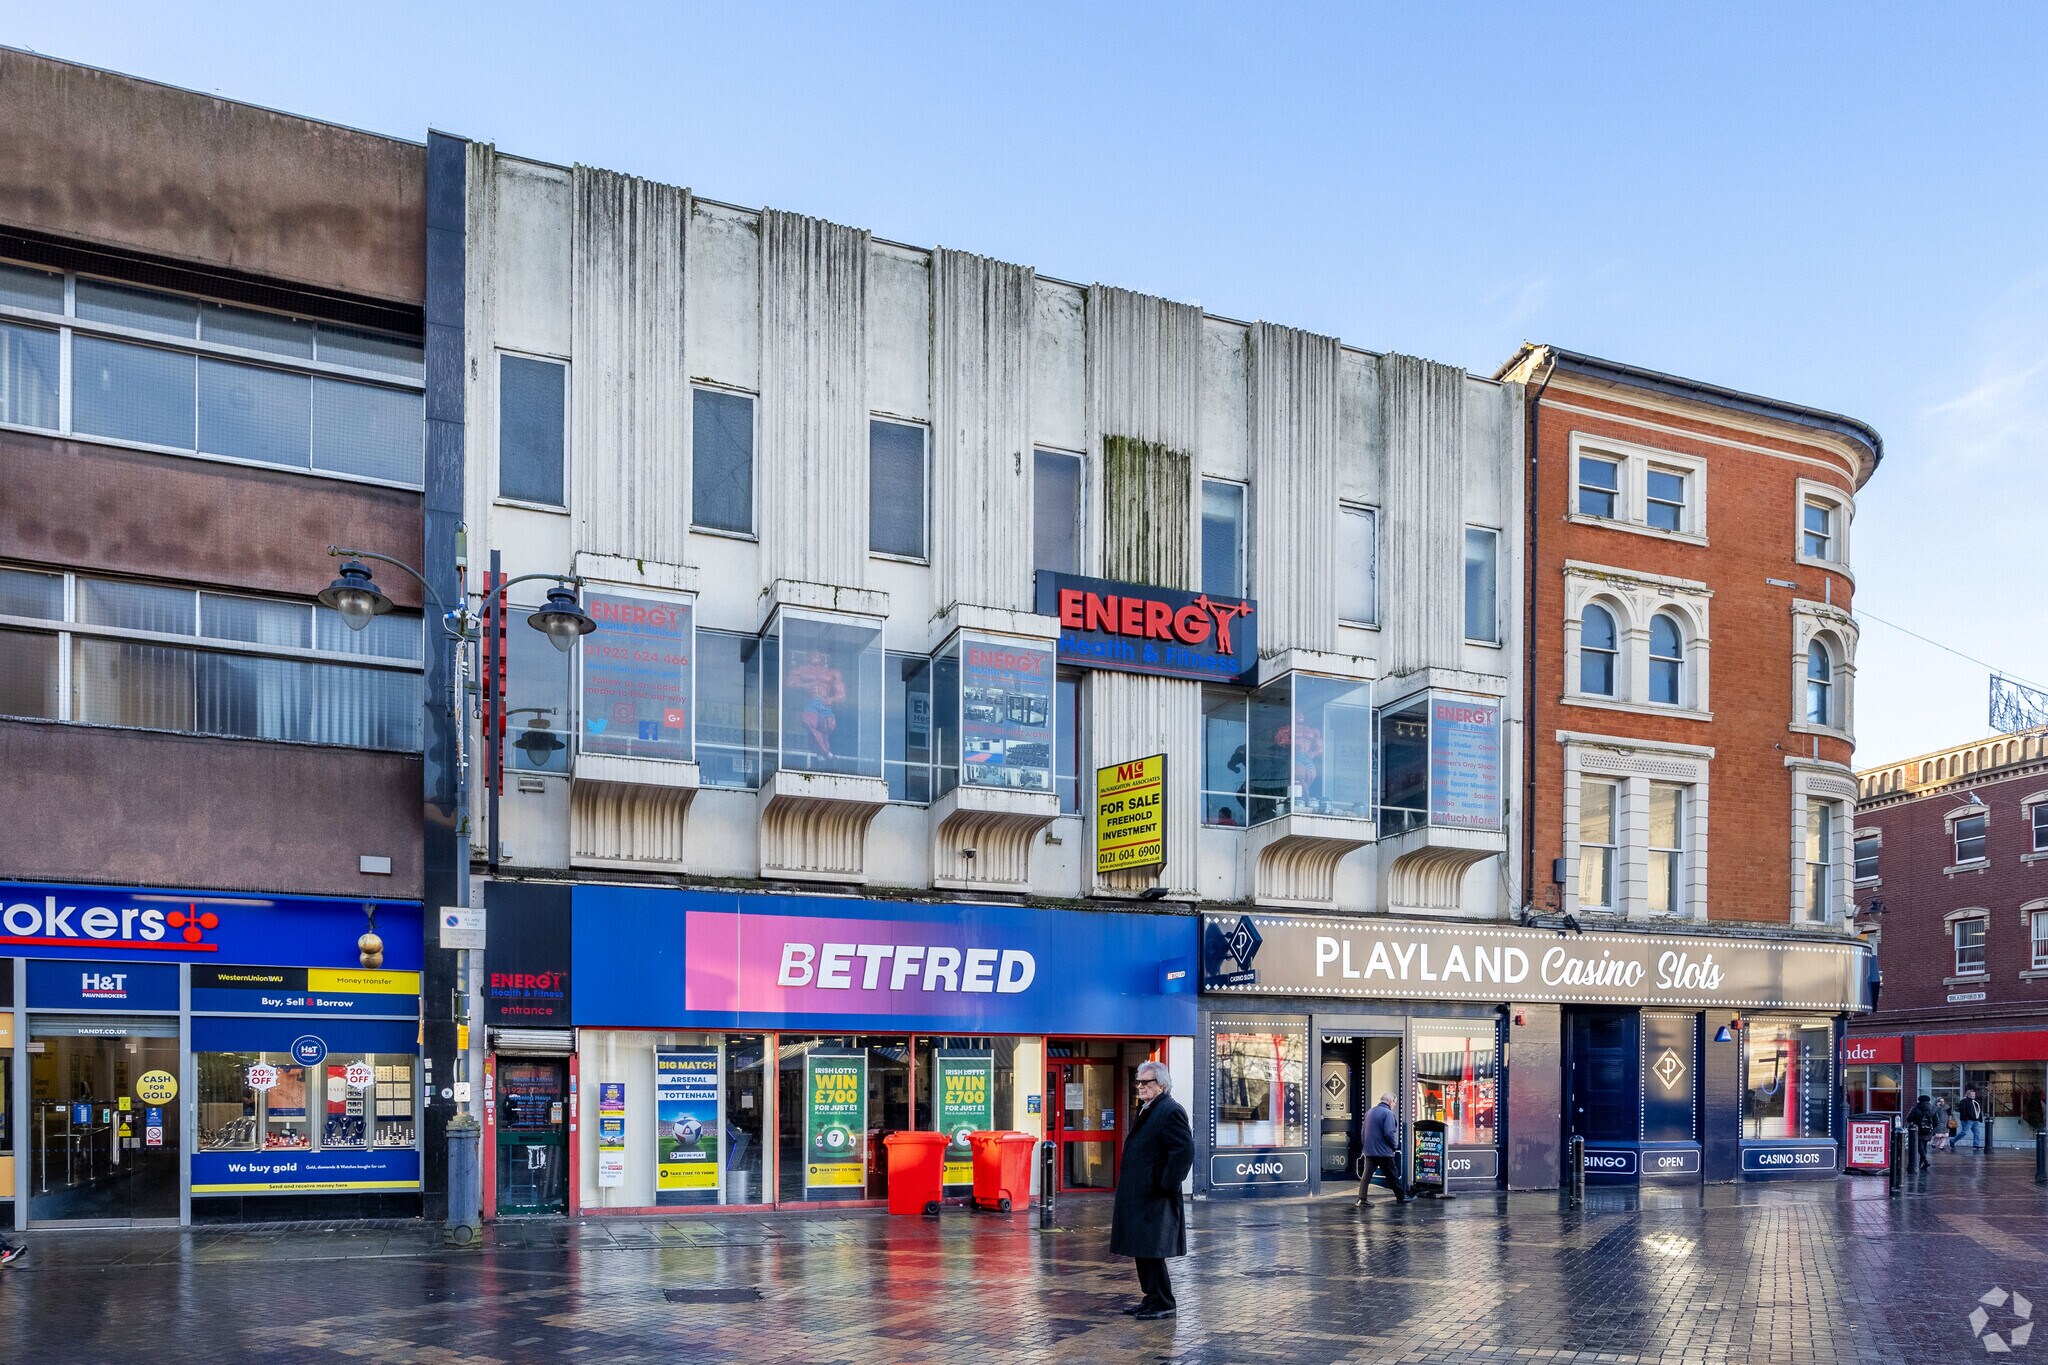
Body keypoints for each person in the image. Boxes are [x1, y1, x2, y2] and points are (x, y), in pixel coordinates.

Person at [1110, 1060, 1194, 1322]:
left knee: (1152, 1251)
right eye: (1138, 1082)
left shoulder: (1170, 1110)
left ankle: (1164, 1301)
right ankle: (1151, 1298)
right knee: (1142, 1249)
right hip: (1140, 1196)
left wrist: (1165, 1182)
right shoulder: (1149, 1108)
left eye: (1146, 1082)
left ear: (1161, 1085)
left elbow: (1184, 1150)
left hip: (1155, 1196)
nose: (1140, 1086)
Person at [1357, 1092, 1410, 1205]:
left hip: (1370, 1150)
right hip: (1384, 1151)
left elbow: (1363, 1131)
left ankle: (1362, 1198)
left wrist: (1365, 1146)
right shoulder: (1388, 1113)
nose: (1394, 1105)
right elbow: (1389, 1133)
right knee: (1392, 1174)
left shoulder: (1370, 1111)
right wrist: (1394, 1146)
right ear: (1391, 1101)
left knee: (1366, 1175)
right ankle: (1401, 1197)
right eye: (1394, 1102)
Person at [1906, 1094, 1938, 1170]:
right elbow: (1936, 1121)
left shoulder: (1915, 1108)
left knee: (1919, 1146)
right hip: (1928, 1130)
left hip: (1917, 1130)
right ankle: (1922, 1162)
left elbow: (1909, 1119)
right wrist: (1931, 1127)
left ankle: (1925, 1161)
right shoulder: (1932, 1109)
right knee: (1924, 1145)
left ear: (1919, 1100)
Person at [1957, 1089, 1986, 1153]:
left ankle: (1976, 1145)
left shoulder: (1975, 1102)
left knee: (1977, 1133)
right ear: (1968, 1095)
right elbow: (1962, 1110)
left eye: (1974, 1094)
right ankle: (1952, 1141)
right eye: (1972, 1094)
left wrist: (1979, 1118)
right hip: (1968, 1120)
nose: (1974, 1095)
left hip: (1975, 1120)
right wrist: (1966, 1118)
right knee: (1964, 1132)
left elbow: (1978, 1110)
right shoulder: (1964, 1101)